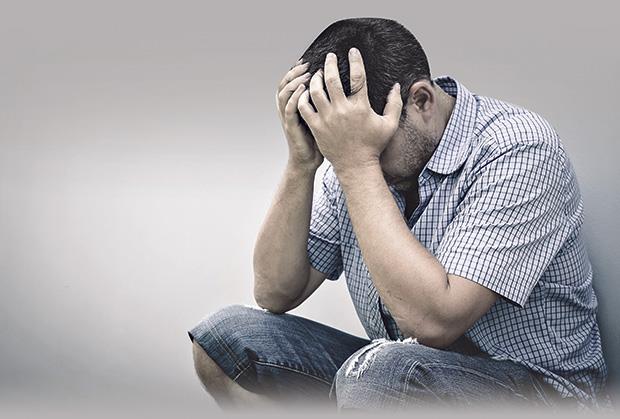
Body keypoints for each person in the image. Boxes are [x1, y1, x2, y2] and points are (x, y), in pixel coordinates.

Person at [187, 17, 608, 411]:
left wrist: (358, 164)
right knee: (224, 340)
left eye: (374, 143)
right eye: (340, 145)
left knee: (380, 374)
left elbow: (435, 322)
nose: (348, 155)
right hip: (397, 375)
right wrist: (302, 164)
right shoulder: (351, 155)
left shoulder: (519, 148)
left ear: (421, 100)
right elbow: (275, 291)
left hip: (540, 392)